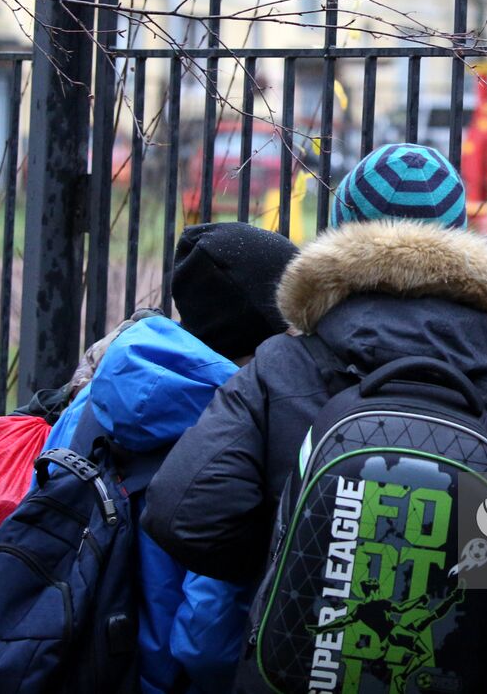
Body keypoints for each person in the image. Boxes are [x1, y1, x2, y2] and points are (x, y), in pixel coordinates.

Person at [143, 142, 487, 693]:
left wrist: (304, 548)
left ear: (341, 235)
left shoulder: (283, 365)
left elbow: (182, 512)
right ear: (461, 242)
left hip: (304, 668)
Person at [43, 221, 300, 694]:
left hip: (63, 653)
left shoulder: (94, 392)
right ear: (263, 331)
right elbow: (208, 641)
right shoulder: (233, 434)